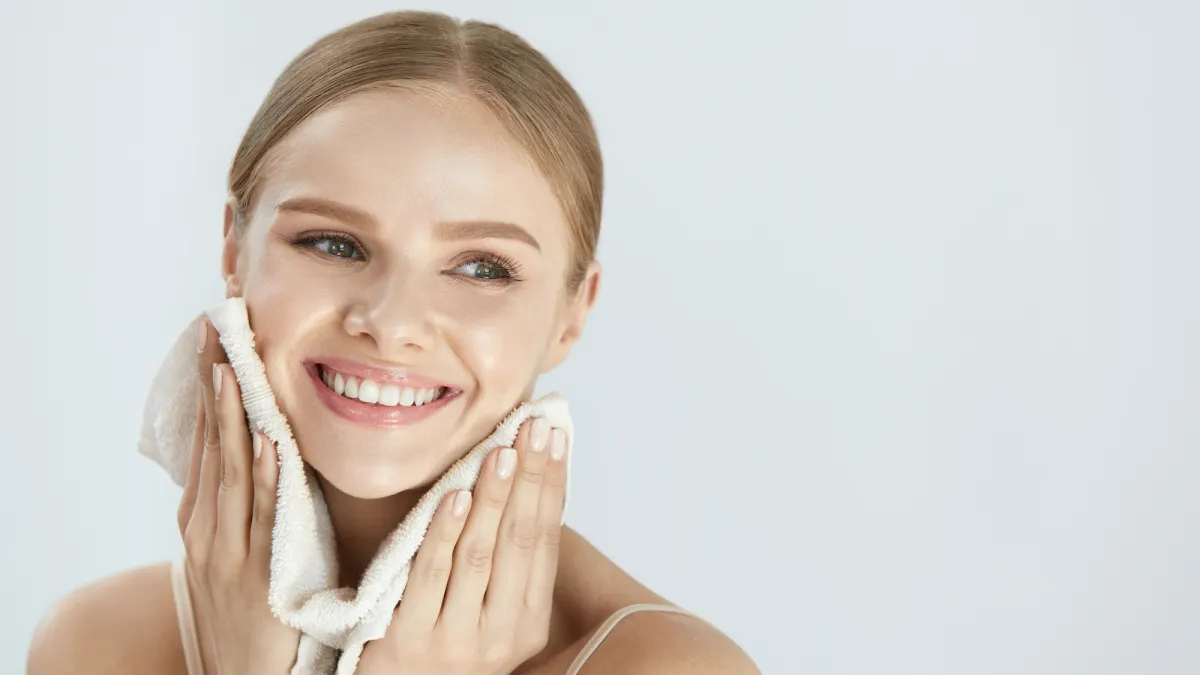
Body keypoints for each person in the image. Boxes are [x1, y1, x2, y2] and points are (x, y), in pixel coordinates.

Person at [27, 10, 759, 675]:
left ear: (574, 310)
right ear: (234, 250)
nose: (393, 320)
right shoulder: (96, 642)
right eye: (333, 243)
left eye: (481, 267)